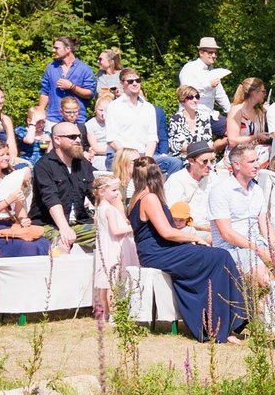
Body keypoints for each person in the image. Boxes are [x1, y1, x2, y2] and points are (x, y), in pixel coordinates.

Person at [128, 158, 249, 343]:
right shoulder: (150, 198)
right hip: (159, 252)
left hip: (155, 251)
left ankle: (220, 322)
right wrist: (195, 238)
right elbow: (167, 232)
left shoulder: (136, 197)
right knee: (220, 256)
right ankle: (224, 325)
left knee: (215, 257)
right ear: (157, 175)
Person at [208, 142, 275, 284]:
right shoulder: (220, 191)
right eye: (251, 162)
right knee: (268, 281)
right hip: (232, 250)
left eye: (257, 160)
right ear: (237, 165)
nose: (257, 165)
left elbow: (265, 224)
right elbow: (227, 234)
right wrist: (259, 251)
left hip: (258, 245)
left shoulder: (257, 190)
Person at [29, 117, 97, 249]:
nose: (78, 140)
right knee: (62, 245)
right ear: (57, 139)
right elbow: (51, 199)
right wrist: (64, 228)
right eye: (72, 137)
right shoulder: (43, 166)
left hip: (79, 222)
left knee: (113, 235)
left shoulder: (83, 164)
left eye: (79, 136)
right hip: (48, 224)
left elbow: (95, 193)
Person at [88, 173, 134, 321]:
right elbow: (115, 231)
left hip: (105, 247)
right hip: (112, 248)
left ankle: (104, 313)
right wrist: (133, 228)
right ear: (102, 192)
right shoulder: (109, 210)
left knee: (105, 284)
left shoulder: (100, 208)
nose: (117, 193)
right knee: (112, 285)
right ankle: (114, 315)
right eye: (114, 190)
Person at [40, 37, 97, 124]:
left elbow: (89, 94)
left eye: (56, 48)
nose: (53, 50)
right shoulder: (51, 67)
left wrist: (71, 87)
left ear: (68, 49)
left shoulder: (85, 69)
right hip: (53, 119)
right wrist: (41, 111)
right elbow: (44, 92)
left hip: (76, 119)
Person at [163, 139, 218, 221]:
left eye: (211, 161)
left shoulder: (213, 178)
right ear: (191, 161)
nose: (209, 165)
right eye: (205, 161)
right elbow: (173, 214)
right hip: (186, 226)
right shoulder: (176, 181)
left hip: (211, 224)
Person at [179, 37, 233, 118]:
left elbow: (220, 94)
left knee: (231, 124)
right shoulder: (189, 68)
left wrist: (230, 112)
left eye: (215, 53)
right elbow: (185, 92)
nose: (214, 55)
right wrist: (208, 85)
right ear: (201, 53)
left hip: (210, 114)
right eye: (210, 53)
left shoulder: (213, 71)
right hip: (192, 115)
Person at [226, 77, 271, 160]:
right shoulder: (237, 111)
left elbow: (262, 137)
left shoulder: (259, 112)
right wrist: (256, 136)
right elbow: (232, 141)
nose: (265, 94)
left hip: (255, 153)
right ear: (254, 93)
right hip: (238, 155)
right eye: (263, 91)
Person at [169, 86, 219, 158]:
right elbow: (178, 146)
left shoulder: (204, 118)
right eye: (190, 97)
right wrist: (201, 149)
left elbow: (209, 143)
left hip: (203, 157)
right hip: (183, 158)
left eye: (197, 97)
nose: (195, 100)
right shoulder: (176, 119)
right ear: (182, 101)